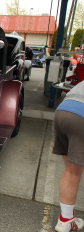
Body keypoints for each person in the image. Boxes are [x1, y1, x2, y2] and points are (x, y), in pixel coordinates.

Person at [52, 80, 84, 232]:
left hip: (63, 111)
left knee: (71, 171)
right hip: (81, 116)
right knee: (74, 172)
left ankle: (66, 218)